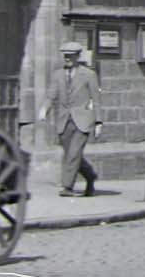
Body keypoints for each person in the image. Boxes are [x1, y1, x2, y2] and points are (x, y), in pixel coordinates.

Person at [44, 40, 101, 197]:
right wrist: (44, 110)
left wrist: (98, 122)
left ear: (77, 56)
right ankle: (90, 176)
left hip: (82, 121)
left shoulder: (89, 74)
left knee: (74, 153)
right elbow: (51, 96)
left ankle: (67, 187)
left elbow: (96, 99)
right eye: (65, 56)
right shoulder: (57, 75)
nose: (67, 59)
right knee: (71, 154)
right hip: (64, 121)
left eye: (70, 56)